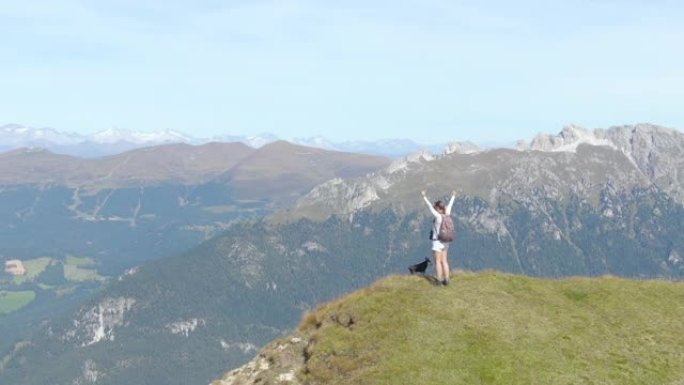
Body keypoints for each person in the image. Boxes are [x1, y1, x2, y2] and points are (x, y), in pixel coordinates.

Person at [421, 190, 456, 286]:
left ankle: (439, 280)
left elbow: (429, 207)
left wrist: (424, 197)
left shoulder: (438, 216)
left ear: (438, 209)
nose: (435, 209)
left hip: (437, 241)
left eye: (436, 208)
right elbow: (450, 205)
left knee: (438, 261)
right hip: (446, 241)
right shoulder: (447, 213)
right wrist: (453, 196)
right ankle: (447, 280)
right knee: (444, 261)